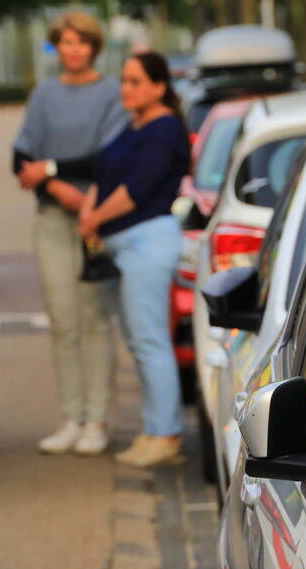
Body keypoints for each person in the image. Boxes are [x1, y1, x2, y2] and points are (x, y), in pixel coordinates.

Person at [12, 12, 127, 455]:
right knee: (63, 321)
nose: (73, 49)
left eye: (81, 42)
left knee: (96, 319)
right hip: (54, 220)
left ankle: (98, 420)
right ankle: (71, 416)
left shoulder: (112, 93)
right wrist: (59, 187)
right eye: (66, 42)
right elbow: (20, 158)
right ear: (57, 47)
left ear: (93, 47)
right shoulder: (44, 93)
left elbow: (109, 158)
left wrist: (54, 170)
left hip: (97, 220)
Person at [79, 52, 190, 468]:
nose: (127, 89)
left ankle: (166, 434)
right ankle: (153, 428)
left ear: (159, 86)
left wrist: (94, 217)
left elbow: (137, 188)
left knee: (150, 342)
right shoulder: (135, 124)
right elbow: (104, 175)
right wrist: (92, 210)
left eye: (136, 81)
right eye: (124, 81)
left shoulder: (163, 130)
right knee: (141, 343)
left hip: (149, 242)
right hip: (125, 245)